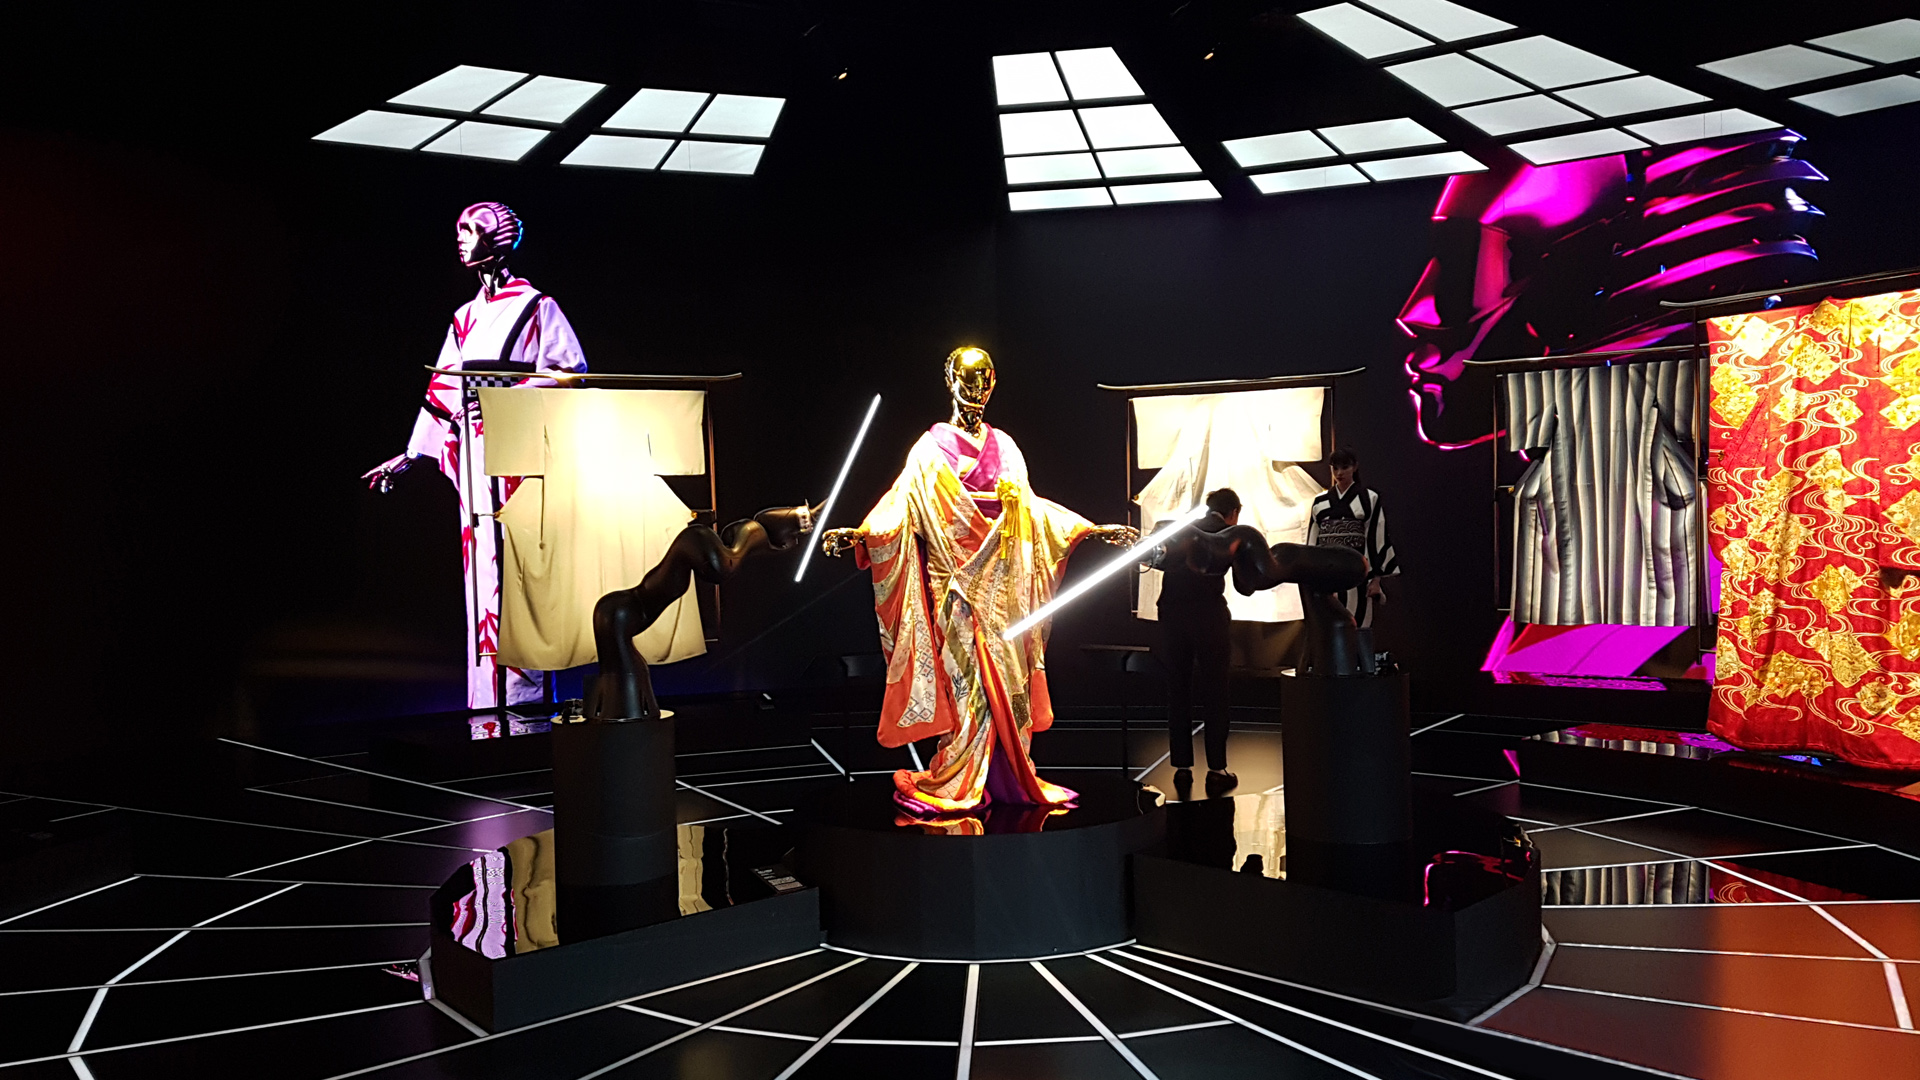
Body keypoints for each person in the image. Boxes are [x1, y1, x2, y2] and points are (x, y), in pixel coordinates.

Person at [820, 347, 1137, 817]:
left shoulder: (1006, 447)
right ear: (949, 381)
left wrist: (1090, 529)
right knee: (966, 685)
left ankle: (1007, 773)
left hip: (1005, 587)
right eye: (967, 380)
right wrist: (862, 534)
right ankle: (958, 774)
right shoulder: (929, 450)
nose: (976, 390)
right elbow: (900, 507)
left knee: (1008, 682)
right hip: (955, 585)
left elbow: (1031, 512)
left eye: (984, 381)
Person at [360, 203, 588, 709]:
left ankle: (527, 703)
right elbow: (443, 391)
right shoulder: (464, 318)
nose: (461, 238)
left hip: (519, 453)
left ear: (497, 238)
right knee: (483, 571)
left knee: (521, 569)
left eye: (472, 229)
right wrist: (409, 456)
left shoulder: (536, 306)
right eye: (460, 229)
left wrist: (510, 394)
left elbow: (570, 371)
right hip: (475, 454)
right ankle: (488, 702)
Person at [1154, 487, 1241, 794]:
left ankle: (1182, 767)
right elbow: (1244, 585)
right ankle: (1217, 768)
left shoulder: (1179, 528)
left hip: (1172, 614)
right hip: (1209, 616)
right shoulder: (1230, 533)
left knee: (1177, 689)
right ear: (1234, 512)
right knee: (1215, 690)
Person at [1306, 449, 1398, 629]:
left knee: (1358, 624)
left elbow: (1376, 536)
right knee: (1328, 625)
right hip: (1327, 571)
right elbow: (1313, 541)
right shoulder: (1320, 502)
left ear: (1355, 467)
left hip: (1357, 571)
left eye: (1345, 467)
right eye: (1335, 468)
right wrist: (1312, 571)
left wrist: (1376, 578)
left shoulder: (1369, 498)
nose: (1339, 473)